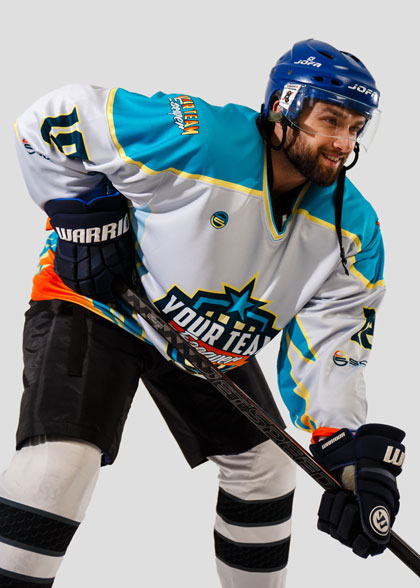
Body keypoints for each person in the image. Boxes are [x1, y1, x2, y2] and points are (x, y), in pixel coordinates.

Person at [0, 38, 406, 588]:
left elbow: (333, 347)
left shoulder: (353, 232)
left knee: (266, 468)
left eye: (356, 127)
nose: (343, 142)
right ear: (282, 110)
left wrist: (346, 453)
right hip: (102, 302)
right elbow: (51, 118)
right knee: (60, 467)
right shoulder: (198, 136)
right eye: (330, 120)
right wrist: (82, 212)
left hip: (203, 346)